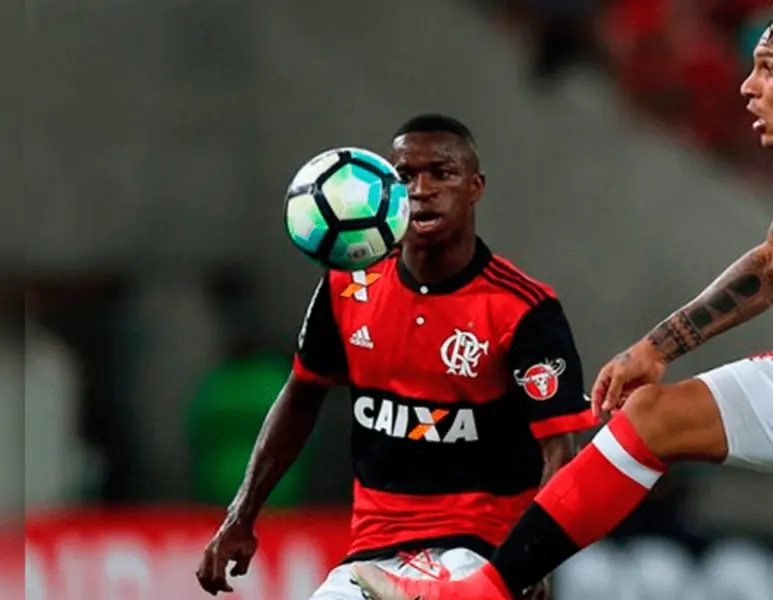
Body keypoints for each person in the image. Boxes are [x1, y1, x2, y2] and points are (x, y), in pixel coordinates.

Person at [352, 1, 773, 599]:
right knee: (652, 415)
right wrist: (658, 346)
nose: (747, 85)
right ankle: (485, 593)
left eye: (769, 69)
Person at [195, 114, 599, 599]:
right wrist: (241, 514)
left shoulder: (523, 309)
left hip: (481, 550)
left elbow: (561, 450)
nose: (421, 189)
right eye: (405, 176)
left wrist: (530, 559)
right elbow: (302, 394)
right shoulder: (348, 283)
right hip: (371, 552)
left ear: (475, 187)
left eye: (441, 173)